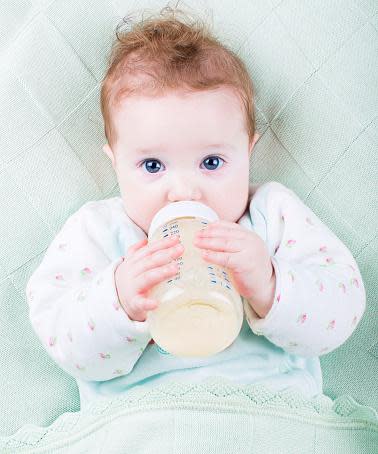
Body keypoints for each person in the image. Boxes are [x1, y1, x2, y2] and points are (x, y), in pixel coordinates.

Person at [26, 6, 366, 409]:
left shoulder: (271, 216)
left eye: (211, 163)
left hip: (272, 415)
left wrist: (271, 283)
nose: (185, 192)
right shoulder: (99, 231)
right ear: (115, 162)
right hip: (143, 423)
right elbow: (62, 340)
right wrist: (118, 299)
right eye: (152, 166)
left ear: (248, 151)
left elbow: (342, 311)